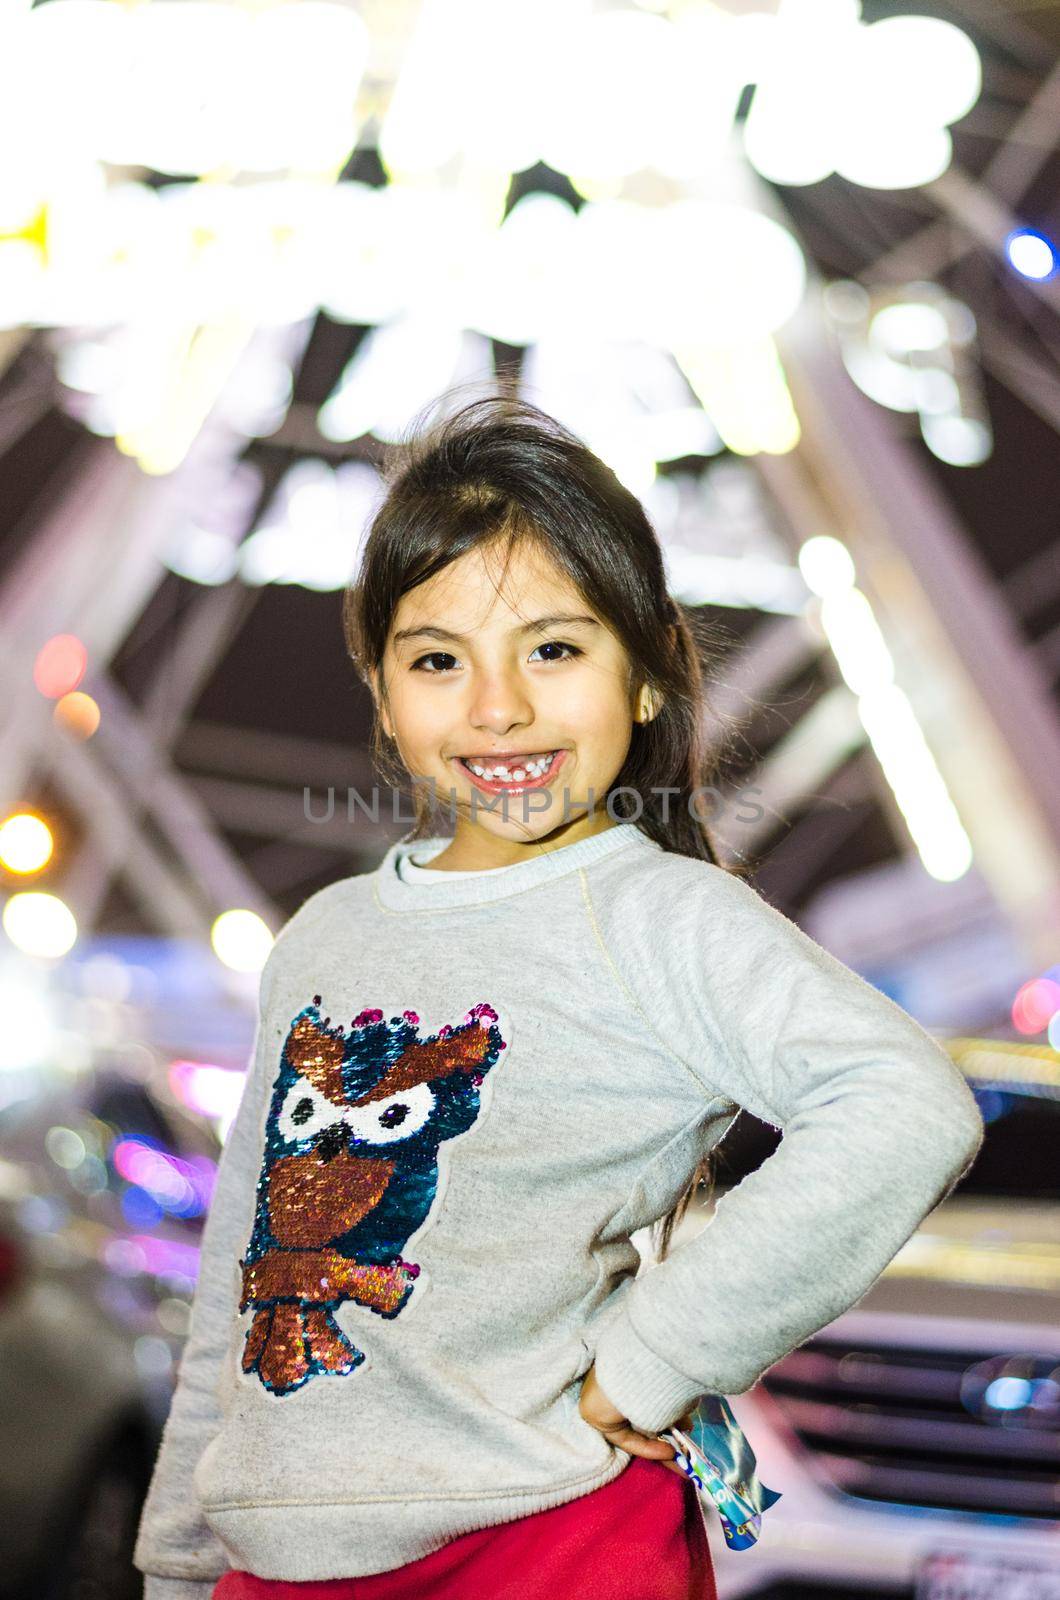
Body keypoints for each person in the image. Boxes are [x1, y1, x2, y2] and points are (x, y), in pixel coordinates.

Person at [133, 395, 984, 1600]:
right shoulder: (324, 937)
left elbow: (903, 1103)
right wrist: (179, 1557)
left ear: (644, 677)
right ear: (380, 694)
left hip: (547, 1544)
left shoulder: (656, 915)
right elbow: (243, 1268)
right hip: (277, 1563)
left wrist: (654, 1357)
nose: (498, 707)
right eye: (438, 659)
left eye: (553, 647)